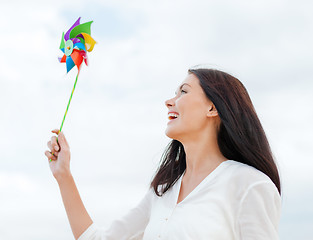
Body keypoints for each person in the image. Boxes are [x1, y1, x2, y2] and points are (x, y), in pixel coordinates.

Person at [45, 68, 281, 240]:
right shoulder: (162, 192)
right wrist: (63, 176)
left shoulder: (249, 184)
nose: (169, 101)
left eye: (183, 92)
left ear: (212, 107)